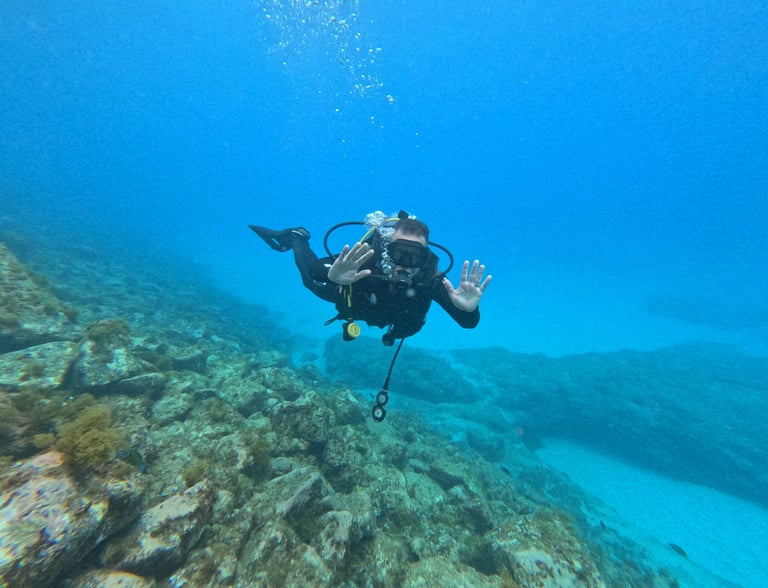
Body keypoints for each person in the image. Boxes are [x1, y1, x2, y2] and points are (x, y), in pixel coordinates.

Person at [249, 211, 492, 346]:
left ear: (425, 257)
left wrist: (469, 310)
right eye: (399, 253)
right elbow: (314, 270)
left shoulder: (431, 279)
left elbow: (468, 323)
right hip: (355, 302)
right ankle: (296, 238)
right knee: (311, 282)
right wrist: (332, 276)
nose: (404, 264)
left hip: (396, 324)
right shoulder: (366, 260)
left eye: (415, 256)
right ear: (386, 249)